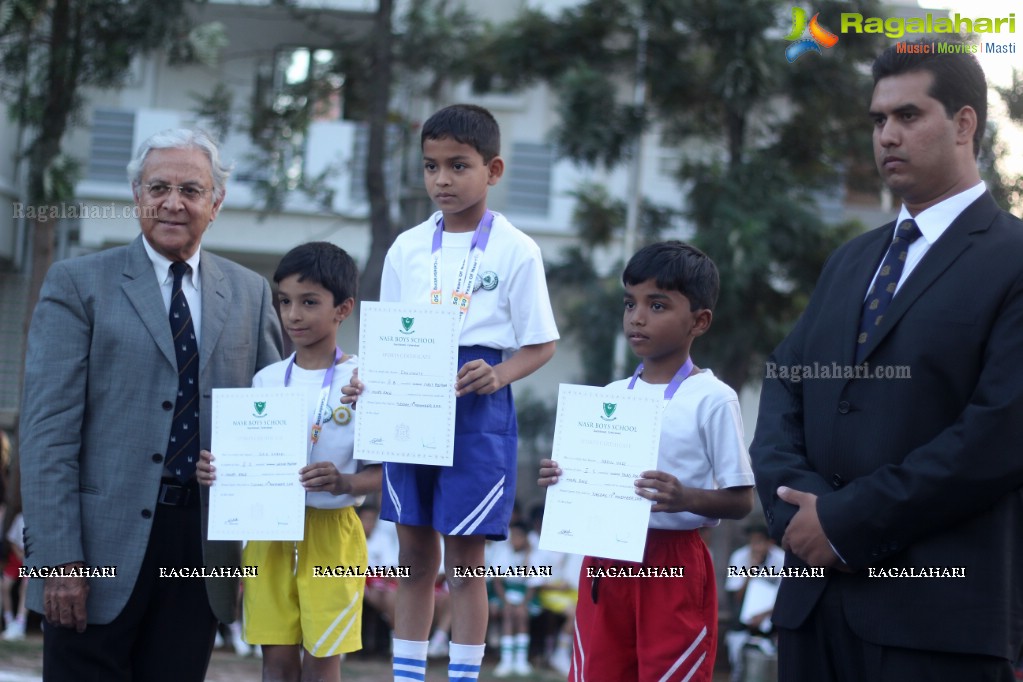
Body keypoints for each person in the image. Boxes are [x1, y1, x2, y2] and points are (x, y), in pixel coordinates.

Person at [750, 40, 1023, 682]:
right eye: (878, 120)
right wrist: (799, 512)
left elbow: (998, 433)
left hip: (938, 624)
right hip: (813, 613)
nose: (887, 136)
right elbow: (786, 384)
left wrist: (845, 522)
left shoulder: (1013, 258)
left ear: (964, 124)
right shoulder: (851, 260)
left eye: (908, 116)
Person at [18, 128, 283, 681]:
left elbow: (274, 422)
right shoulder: (78, 284)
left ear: (217, 202)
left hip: (200, 552)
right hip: (94, 549)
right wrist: (57, 558)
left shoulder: (251, 293)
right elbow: (47, 435)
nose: (172, 202)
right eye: (158, 187)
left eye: (191, 189)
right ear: (136, 196)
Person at [343, 103, 559, 682]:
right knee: (414, 550)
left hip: (478, 404)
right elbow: (385, 333)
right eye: (430, 166)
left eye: (458, 166)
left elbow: (541, 345)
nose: (442, 179)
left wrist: (501, 373)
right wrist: (369, 379)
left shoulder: (517, 249)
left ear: (493, 170)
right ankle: (408, 674)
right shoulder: (407, 248)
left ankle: (463, 675)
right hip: (409, 400)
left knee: (466, 558)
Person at [539, 240, 755, 682]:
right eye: (630, 303)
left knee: (668, 674)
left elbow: (741, 501)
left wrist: (685, 496)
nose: (637, 317)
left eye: (657, 305)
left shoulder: (713, 399)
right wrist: (562, 478)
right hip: (605, 560)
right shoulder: (611, 397)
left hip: (672, 562)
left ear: (700, 321)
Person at [199, 241, 382, 682]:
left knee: (322, 663)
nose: (293, 315)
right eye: (284, 301)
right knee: (276, 663)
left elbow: (387, 472)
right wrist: (216, 472)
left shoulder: (363, 381)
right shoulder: (263, 382)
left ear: (344, 309)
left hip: (331, 536)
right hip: (268, 534)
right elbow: (241, 460)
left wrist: (345, 484)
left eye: (309, 302)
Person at [488, 521, 537, 677]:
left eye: (519, 536)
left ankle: (520, 660)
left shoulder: (534, 554)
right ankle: (506, 660)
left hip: (525, 596)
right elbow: (497, 581)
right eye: (512, 536)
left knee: (521, 615)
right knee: (508, 615)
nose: (515, 539)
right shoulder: (503, 552)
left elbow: (531, 583)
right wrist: (505, 602)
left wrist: (528, 555)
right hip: (505, 594)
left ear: (526, 538)